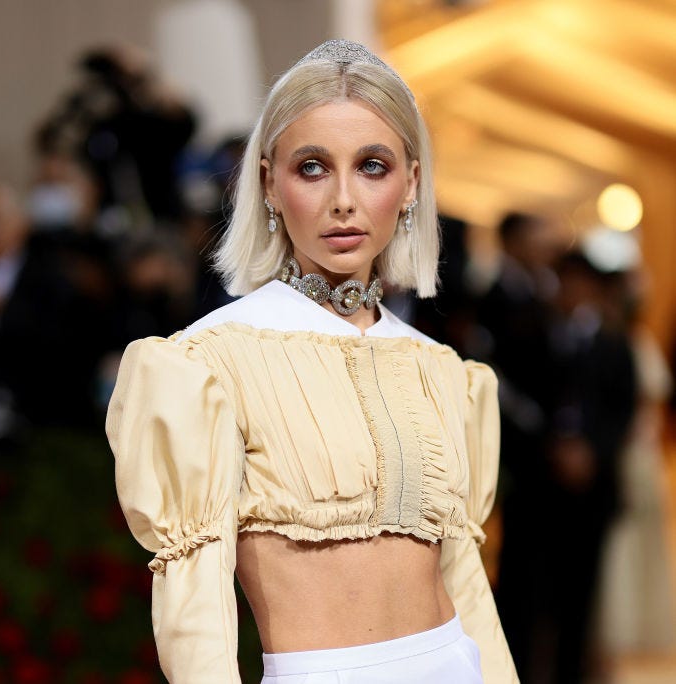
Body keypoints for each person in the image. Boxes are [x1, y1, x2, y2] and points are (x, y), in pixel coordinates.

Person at [106, 40, 518, 684]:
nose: (344, 199)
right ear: (269, 182)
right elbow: (196, 607)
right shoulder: (208, 362)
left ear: (412, 181)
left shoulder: (441, 372)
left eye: (373, 166)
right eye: (313, 167)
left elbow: (464, 578)